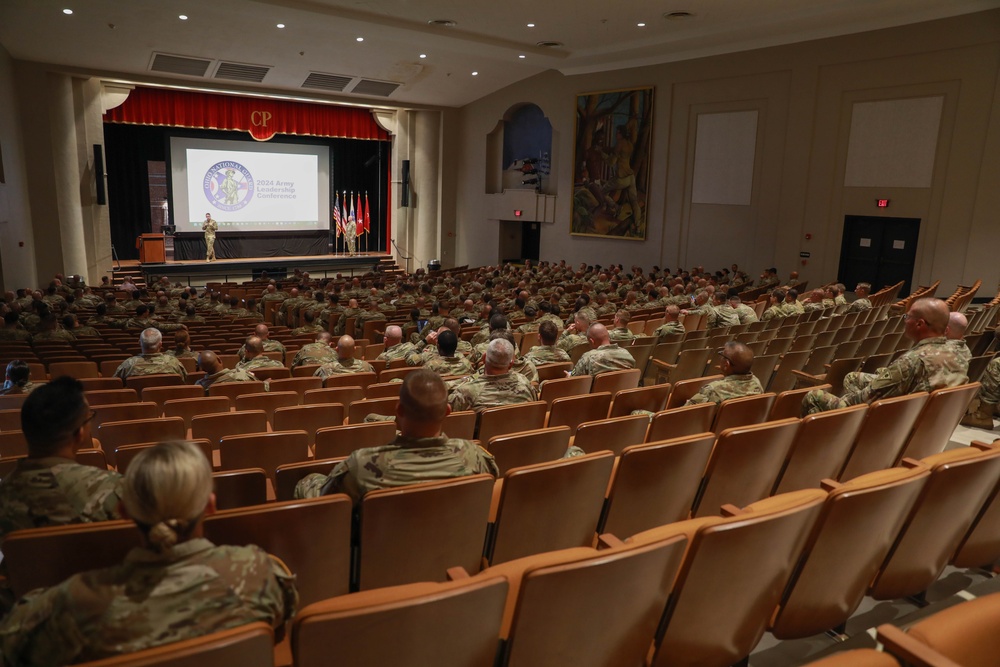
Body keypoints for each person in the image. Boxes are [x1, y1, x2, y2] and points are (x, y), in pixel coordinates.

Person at [0, 441, 297, 666]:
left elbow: (12, 645)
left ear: (123, 511)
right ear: (210, 506)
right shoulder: (260, 573)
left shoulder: (73, 603)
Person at [294, 370, 498, 502]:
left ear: (399, 410)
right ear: (447, 411)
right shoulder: (474, 456)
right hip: (453, 556)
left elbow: (324, 502)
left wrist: (307, 480)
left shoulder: (361, 466)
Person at [802, 297, 968, 415]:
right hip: (923, 416)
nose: (904, 320)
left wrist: (846, 404)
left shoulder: (911, 361)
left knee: (814, 396)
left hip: (893, 421)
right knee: (853, 377)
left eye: (907, 316)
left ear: (919, 324)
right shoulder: (959, 352)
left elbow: (863, 400)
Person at [448, 339, 537, 412]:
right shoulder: (525, 383)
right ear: (510, 365)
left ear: (483, 358)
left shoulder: (466, 392)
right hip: (520, 432)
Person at [685, 342, 764, 405]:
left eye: (722, 355)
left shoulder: (713, 390)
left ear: (726, 364)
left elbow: (685, 413)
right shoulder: (757, 383)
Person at [113, 328, 188, 381]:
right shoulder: (173, 363)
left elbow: (114, 385)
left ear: (139, 343)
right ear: (160, 345)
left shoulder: (128, 365)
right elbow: (186, 382)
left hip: (139, 403)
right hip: (169, 401)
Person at [570, 323, 636, 377]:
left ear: (592, 341)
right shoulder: (627, 354)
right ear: (608, 337)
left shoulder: (588, 357)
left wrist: (569, 376)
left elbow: (574, 380)